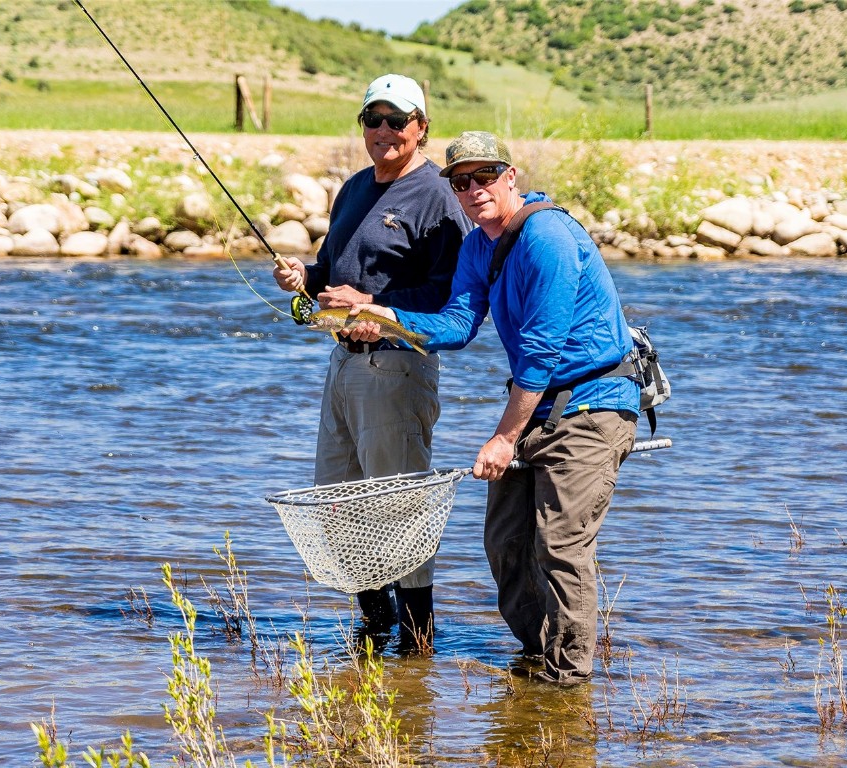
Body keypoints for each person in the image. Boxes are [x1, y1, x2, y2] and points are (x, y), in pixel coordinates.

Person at [345, 131, 640, 683]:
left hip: (595, 403)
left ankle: (567, 681)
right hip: (540, 404)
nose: (474, 190)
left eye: (485, 177)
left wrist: (504, 438)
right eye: (462, 183)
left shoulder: (546, 236)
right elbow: (457, 324)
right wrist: (387, 318)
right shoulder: (479, 245)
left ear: (510, 178)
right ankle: (539, 659)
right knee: (505, 542)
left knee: (560, 546)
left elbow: (541, 350)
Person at [272, 74, 471, 652]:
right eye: (372, 119)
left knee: (398, 508)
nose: (383, 130)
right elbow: (329, 271)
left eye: (396, 119)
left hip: (397, 368)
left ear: (421, 128)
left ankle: (417, 645)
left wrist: (374, 308)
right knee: (337, 502)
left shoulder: (437, 194)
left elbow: (453, 297)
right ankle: (373, 628)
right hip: (343, 364)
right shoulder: (356, 187)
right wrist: (303, 278)